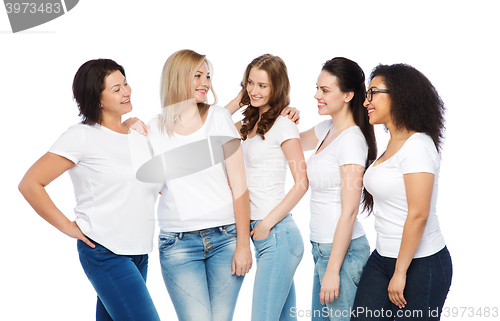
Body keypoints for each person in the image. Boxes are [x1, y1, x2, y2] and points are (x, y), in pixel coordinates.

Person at [18, 59, 162, 321]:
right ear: (98, 99)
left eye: (126, 83)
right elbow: (30, 184)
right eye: (116, 89)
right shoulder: (81, 136)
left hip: (139, 251)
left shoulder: (138, 136)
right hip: (105, 251)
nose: (127, 91)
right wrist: (68, 226)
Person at [142, 49, 252, 321]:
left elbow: (239, 185)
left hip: (225, 239)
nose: (206, 82)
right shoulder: (152, 130)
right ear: (178, 78)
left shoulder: (219, 118)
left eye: (208, 76)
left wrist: (242, 245)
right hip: (177, 244)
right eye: (198, 76)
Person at [351, 63, 452, 320]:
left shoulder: (418, 145)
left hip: (421, 263)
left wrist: (400, 271)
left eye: (373, 93)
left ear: (399, 95)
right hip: (383, 256)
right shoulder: (392, 144)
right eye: (366, 94)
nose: (366, 102)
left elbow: (419, 214)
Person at [285, 57, 376, 320]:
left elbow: (349, 211)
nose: (316, 95)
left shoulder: (351, 141)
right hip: (323, 249)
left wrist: (333, 270)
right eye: (317, 88)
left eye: (325, 91)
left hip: (342, 255)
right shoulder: (328, 128)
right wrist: (288, 118)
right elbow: (288, 144)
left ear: (348, 95)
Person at [226, 54, 308, 321]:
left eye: (263, 85)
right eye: (250, 83)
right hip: (263, 235)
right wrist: (240, 100)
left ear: (277, 87)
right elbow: (210, 135)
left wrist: (265, 224)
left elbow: (301, 183)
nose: (254, 90)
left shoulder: (284, 125)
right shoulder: (246, 126)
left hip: (276, 234)